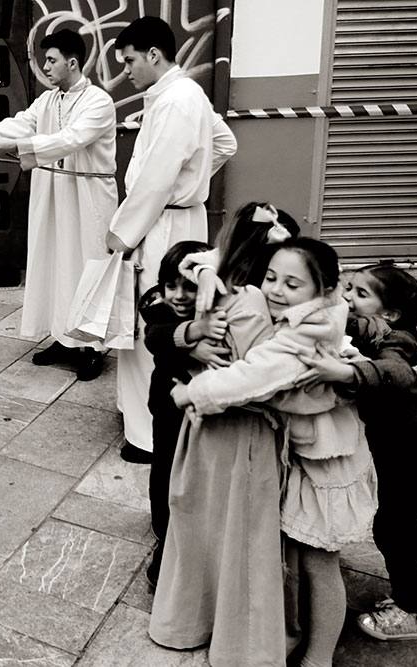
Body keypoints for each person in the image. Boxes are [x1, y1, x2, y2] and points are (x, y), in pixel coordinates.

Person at [171, 238, 378, 667]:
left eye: (291, 284)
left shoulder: (304, 337)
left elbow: (249, 378)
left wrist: (189, 392)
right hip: (308, 455)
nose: (275, 290)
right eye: (270, 278)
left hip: (327, 466)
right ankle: (295, 632)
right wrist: (209, 271)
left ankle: (318, 657)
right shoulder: (312, 312)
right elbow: (207, 258)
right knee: (299, 556)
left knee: (320, 565)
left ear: (323, 291)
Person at [147, 202, 297, 667]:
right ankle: (238, 637)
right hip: (231, 431)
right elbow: (261, 383)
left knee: (195, 515)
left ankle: (186, 614)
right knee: (234, 531)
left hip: (201, 427)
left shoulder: (217, 293)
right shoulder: (248, 307)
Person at [297, 263, 417, 641]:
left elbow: (395, 372)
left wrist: (347, 373)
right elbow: (354, 325)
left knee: (391, 526)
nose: (348, 298)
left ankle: (413, 610)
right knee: (404, 520)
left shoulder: (401, 343)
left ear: (391, 314)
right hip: (412, 447)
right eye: (348, 288)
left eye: (360, 294)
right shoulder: (373, 327)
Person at [0, 29, 117, 381]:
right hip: (53, 192)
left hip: (87, 199)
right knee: (55, 262)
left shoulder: (97, 101)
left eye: (52, 60)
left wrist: (15, 149)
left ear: (72, 62)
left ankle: (92, 347)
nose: (46, 67)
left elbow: (71, 139)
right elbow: (19, 123)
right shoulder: (48, 100)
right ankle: (63, 337)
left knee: (88, 267)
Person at [107, 16, 238, 461]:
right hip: (178, 218)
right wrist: (195, 182)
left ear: (154, 55)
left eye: (129, 61)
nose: (126, 70)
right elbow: (225, 145)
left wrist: (121, 234)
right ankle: (135, 412)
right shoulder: (184, 94)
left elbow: (156, 181)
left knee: (153, 318)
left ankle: (147, 434)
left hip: (162, 223)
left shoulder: (177, 100)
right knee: (154, 315)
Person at [138, 239, 229, 589]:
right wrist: (196, 337)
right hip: (170, 411)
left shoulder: (222, 309)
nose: (177, 295)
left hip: (210, 416)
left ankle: (199, 537)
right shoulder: (158, 310)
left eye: (189, 287)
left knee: (201, 479)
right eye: (171, 285)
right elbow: (157, 339)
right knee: (164, 474)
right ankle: (165, 537)